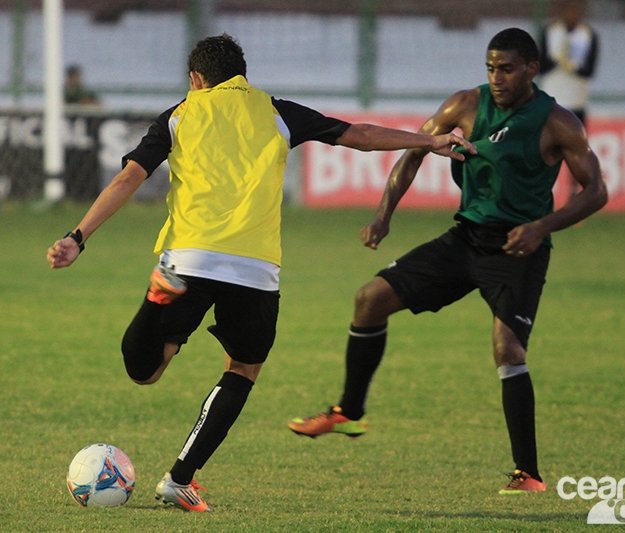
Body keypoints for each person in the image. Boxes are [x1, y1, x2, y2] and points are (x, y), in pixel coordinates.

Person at [47, 34, 473, 513]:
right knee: (244, 367)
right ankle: (179, 479)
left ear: (195, 79)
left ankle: (156, 299)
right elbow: (360, 135)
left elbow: (129, 177)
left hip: (189, 258)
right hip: (254, 267)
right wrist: (432, 139)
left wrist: (77, 237)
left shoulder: (180, 115)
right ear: (242, 76)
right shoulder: (276, 111)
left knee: (146, 370)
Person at [289, 28, 608, 495]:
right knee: (369, 299)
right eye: (491, 68)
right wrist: (383, 216)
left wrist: (542, 227)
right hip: (465, 239)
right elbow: (414, 152)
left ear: (532, 70)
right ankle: (349, 414)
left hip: (520, 249)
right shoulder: (464, 104)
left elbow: (597, 191)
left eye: (507, 69)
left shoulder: (558, 122)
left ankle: (529, 474)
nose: (497, 77)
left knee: (508, 350)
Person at [539, 0, 599, 201]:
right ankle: (540, 193)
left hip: (577, 101)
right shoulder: (549, 31)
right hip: (552, 100)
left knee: (577, 152)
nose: (572, 14)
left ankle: (574, 195)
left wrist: (573, 65)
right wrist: (558, 59)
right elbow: (541, 65)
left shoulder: (588, 35)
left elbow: (590, 70)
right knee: (546, 148)